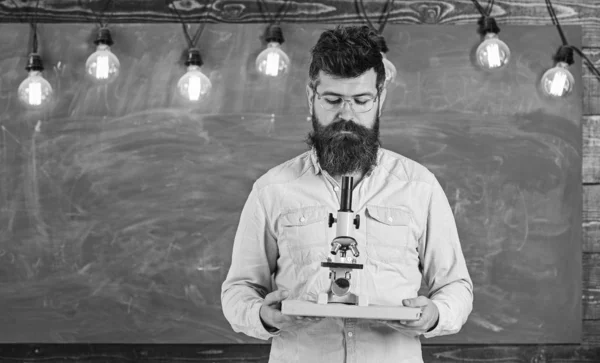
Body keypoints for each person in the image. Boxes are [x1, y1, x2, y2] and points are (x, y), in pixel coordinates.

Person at [221, 25, 473, 363]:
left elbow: (456, 287)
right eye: (333, 100)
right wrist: (263, 316)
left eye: (361, 100)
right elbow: (238, 291)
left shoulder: (419, 187)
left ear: (380, 98)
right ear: (311, 96)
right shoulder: (272, 190)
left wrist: (436, 314)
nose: (347, 115)